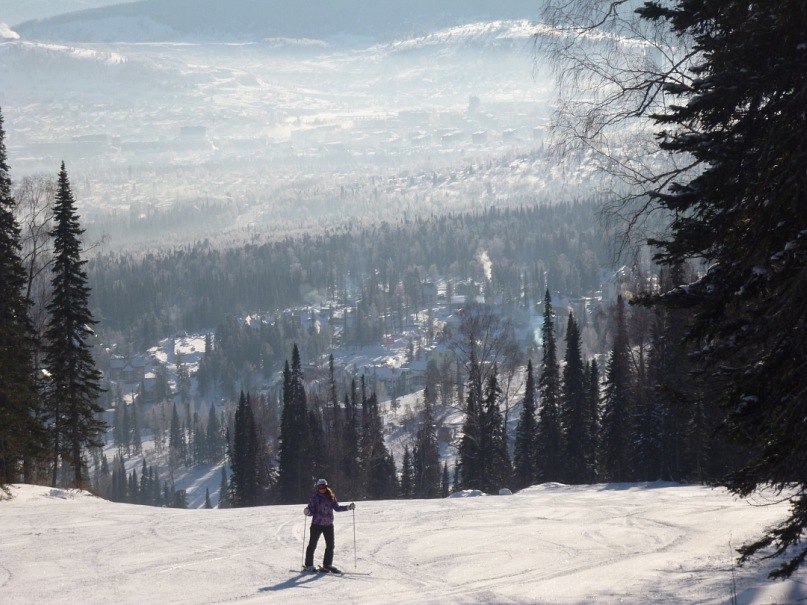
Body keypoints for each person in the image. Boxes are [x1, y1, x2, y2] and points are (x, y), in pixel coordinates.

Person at [303, 478, 355, 573]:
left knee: (330, 545)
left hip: (328, 525)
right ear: (317, 487)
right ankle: (308, 565)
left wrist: (348, 507)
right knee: (312, 544)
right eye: (320, 487)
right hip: (316, 525)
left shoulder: (331, 496)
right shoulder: (314, 497)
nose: (322, 489)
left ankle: (327, 565)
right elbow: (311, 511)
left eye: (324, 487)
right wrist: (308, 512)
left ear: (326, 487)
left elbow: (337, 508)